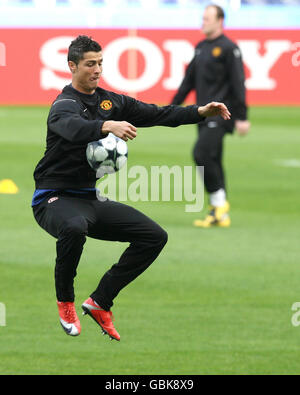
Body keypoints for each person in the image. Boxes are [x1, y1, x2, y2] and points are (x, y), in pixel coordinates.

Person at [32, 35, 230, 341]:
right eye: (90, 64)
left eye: (100, 63)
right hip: (52, 199)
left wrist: (199, 112)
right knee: (73, 228)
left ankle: (100, 301)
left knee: (154, 237)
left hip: (88, 198)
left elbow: (157, 113)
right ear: (72, 66)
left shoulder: (110, 101)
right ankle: (65, 302)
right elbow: (71, 128)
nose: (97, 69)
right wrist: (106, 126)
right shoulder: (64, 104)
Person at [171, 4, 250, 228]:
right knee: (213, 158)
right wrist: (169, 109)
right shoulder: (201, 47)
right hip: (203, 114)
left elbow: (238, 83)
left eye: (207, 19)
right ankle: (219, 213)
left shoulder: (229, 48)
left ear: (220, 21)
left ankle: (219, 203)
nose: (202, 22)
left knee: (201, 154)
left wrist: (242, 116)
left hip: (222, 115)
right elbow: (188, 81)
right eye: (202, 18)